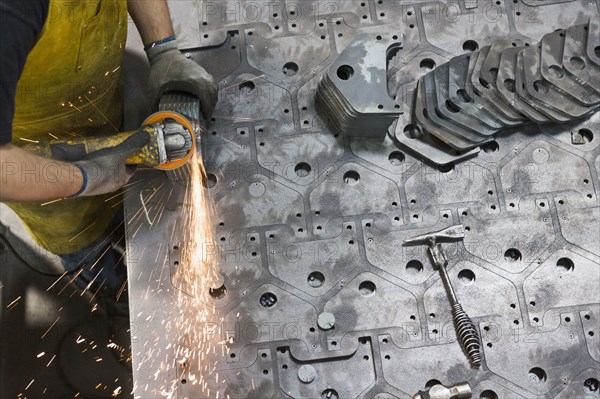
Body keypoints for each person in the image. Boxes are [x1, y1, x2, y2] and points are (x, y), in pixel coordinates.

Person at [0, 0, 217, 299]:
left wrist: (163, 50)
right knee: (92, 253)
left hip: (102, 111)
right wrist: (84, 177)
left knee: (129, 216)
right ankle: (114, 294)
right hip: (39, 175)